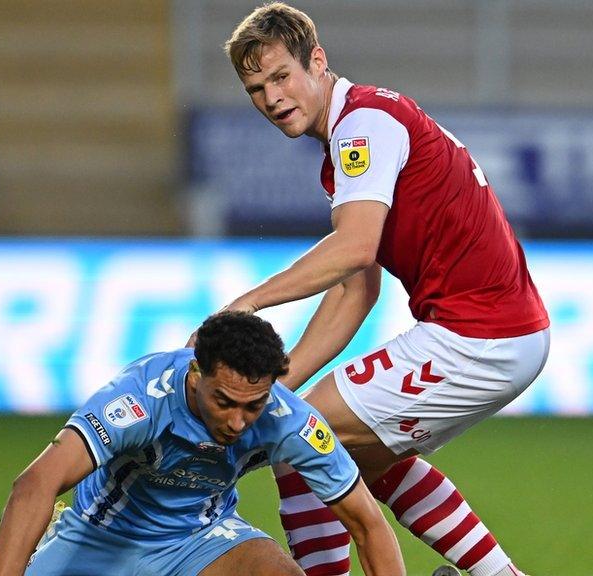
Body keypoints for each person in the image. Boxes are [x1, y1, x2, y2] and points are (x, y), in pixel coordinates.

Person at [223, 4, 550, 576]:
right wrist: (275, 383)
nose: (272, 98)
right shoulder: (355, 135)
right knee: (351, 454)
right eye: (257, 88)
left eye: (281, 77)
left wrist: (246, 305)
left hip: (477, 335)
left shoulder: (363, 125)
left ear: (317, 61)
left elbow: (352, 248)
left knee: (301, 440)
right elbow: (356, 291)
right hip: (497, 332)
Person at [0, 311, 405, 576]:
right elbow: (35, 483)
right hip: (101, 536)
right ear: (195, 374)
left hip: (199, 538)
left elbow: (367, 523)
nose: (238, 422)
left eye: (253, 405)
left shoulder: (287, 420)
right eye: (224, 402)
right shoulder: (139, 400)